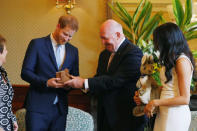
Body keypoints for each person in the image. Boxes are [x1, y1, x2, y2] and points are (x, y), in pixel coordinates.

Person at [65, 19, 146, 131]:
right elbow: (100, 78)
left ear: (117, 35)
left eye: (105, 38)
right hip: (104, 116)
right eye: (101, 38)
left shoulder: (133, 52)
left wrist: (84, 82)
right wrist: (81, 85)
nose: (102, 42)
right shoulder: (104, 54)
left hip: (125, 117)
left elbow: (115, 80)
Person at [21, 15, 79, 131]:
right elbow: (25, 72)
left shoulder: (73, 51)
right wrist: (46, 83)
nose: (66, 39)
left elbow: (75, 75)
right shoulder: (37, 44)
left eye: (70, 37)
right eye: (65, 34)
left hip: (60, 110)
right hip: (37, 108)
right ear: (58, 26)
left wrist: (70, 84)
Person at [143, 22, 194, 131]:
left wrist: (155, 102)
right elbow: (166, 88)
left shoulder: (182, 61)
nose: (156, 46)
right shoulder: (172, 60)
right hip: (165, 111)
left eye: (158, 41)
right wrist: (145, 96)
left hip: (175, 113)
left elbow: (185, 99)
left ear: (168, 41)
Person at [0, 35, 18, 131]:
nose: (7, 52)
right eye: (5, 49)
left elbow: (6, 103)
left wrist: (13, 120)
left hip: (7, 126)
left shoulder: (3, 73)